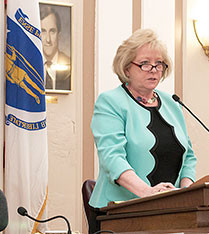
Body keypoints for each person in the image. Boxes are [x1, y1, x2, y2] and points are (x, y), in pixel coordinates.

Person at [89, 29, 197, 233]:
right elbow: (112, 158)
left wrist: (185, 192)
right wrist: (147, 193)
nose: (154, 69)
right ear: (126, 68)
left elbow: (188, 156)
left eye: (159, 64)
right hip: (120, 214)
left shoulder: (172, 103)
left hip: (169, 213)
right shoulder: (110, 102)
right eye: (145, 63)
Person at [40, 6, 71, 91]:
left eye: (52, 31)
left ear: (59, 35)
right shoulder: (29, 66)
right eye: (43, 31)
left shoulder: (70, 66)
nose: (48, 39)